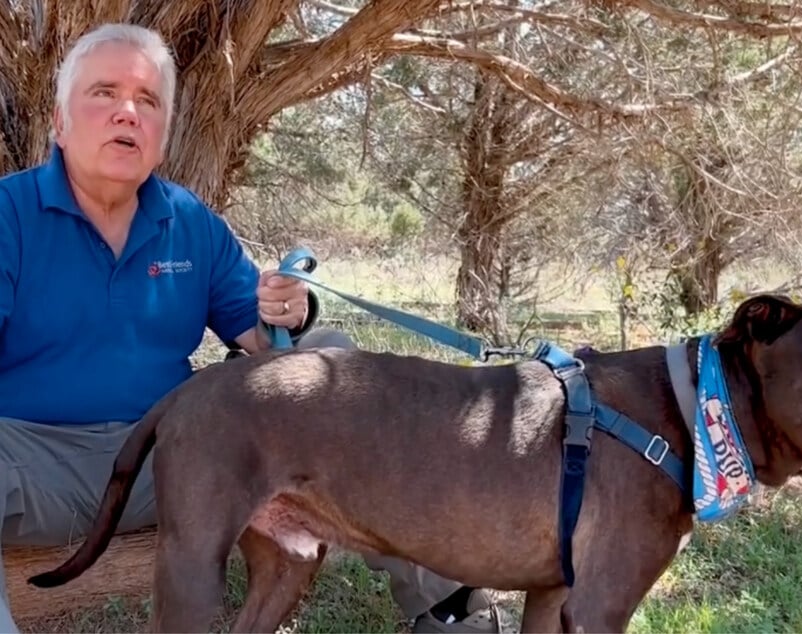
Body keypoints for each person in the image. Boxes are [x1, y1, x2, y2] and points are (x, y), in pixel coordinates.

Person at [0, 22, 502, 634]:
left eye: (148, 100)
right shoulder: (9, 215)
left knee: (330, 362)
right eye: (104, 93)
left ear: (162, 134)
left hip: (176, 462)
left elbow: (265, 345)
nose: (127, 112)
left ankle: (445, 606)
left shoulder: (190, 223)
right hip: (30, 469)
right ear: (59, 121)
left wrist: (287, 313)